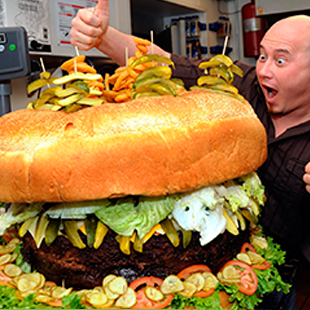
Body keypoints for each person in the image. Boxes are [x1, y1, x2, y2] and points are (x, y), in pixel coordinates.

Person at [70, 2, 310, 309]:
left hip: (276, 277)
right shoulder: (243, 85)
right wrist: (104, 36)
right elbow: (165, 65)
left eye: (280, 60)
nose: (264, 69)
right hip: (212, 267)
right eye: (263, 55)